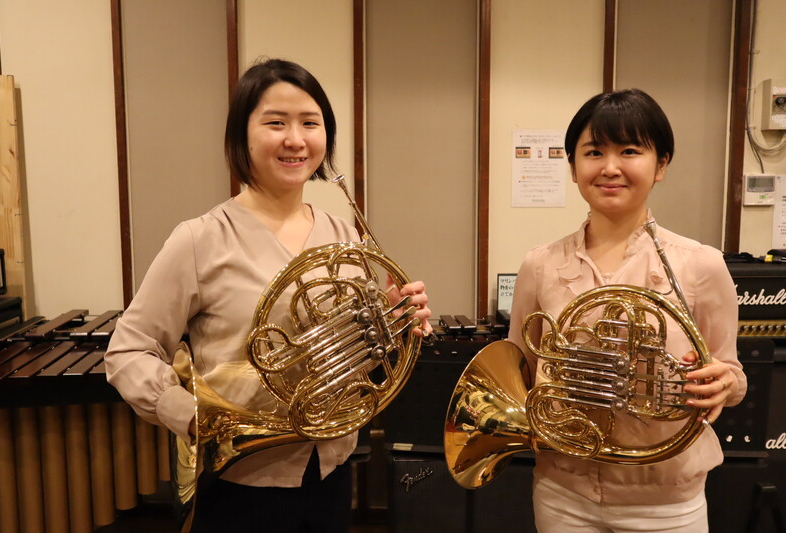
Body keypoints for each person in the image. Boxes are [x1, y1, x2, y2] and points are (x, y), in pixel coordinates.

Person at [104, 58, 432, 533]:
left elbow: (357, 359)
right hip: (241, 482)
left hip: (331, 472)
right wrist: (193, 416)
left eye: (310, 123)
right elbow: (128, 350)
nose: (295, 139)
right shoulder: (200, 239)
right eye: (276, 123)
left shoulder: (345, 236)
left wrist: (395, 324)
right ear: (243, 135)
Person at [507, 88, 746, 533]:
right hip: (563, 491)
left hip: (666, 500)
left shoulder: (702, 265)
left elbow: (730, 372)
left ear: (661, 165)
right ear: (573, 167)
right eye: (594, 152)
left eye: (630, 151)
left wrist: (725, 383)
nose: (610, 167)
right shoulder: (539, 264)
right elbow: (518, 368)